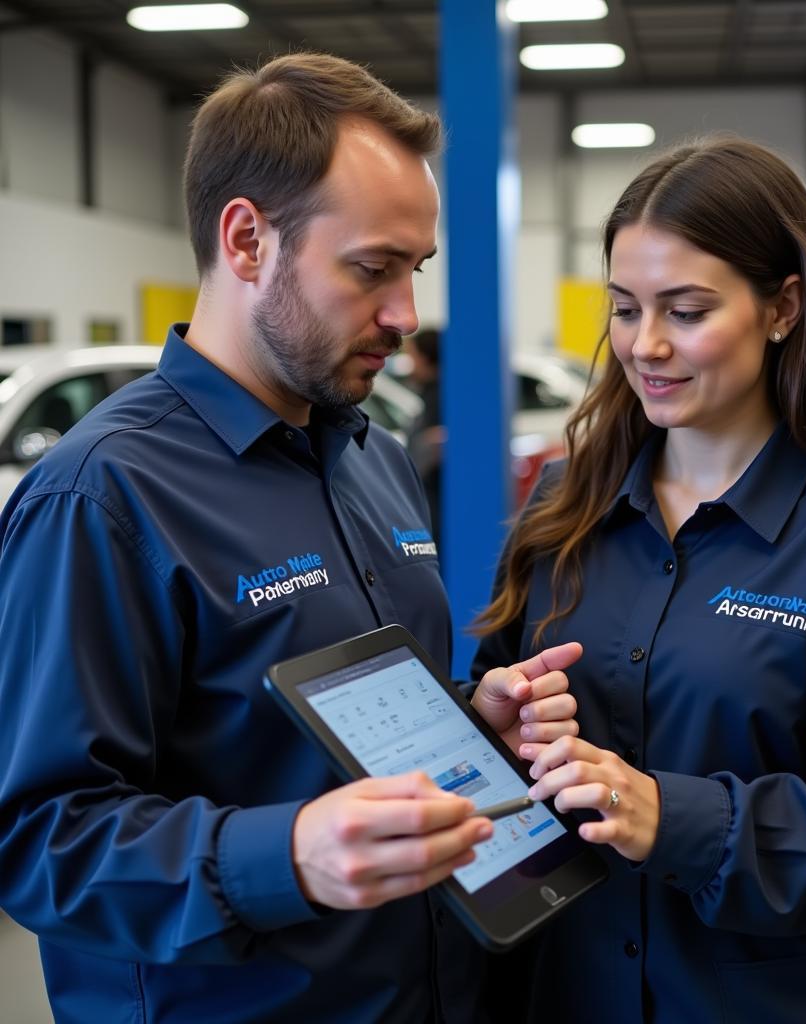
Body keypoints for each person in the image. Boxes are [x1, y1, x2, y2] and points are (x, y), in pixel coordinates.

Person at [0, 53, 582, 1024]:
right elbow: (37, 838)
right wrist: (288, 855)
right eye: (371, 269)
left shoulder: (375, 457)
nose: (404, 316)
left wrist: (469, 725)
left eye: (416, 270)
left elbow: (330, 727)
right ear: (245, 241)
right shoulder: (102, 497)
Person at [472, 136, 806, 1023]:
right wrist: (489, 723)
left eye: (686, 310)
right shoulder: (568, 504)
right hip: (577, 993)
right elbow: (504, 745)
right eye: (627, 309)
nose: (646, 346)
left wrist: (665, 815)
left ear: (783, 306)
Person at [405, 327, 444, 536]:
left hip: (436, 507)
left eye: (413, 357)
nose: (410, 367)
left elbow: (435, 443)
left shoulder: (439, 398)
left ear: (426, 358)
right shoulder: (431, 395)